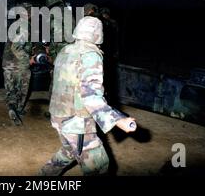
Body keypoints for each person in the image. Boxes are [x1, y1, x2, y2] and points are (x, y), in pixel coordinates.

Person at [38, 16, 136, 176]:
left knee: (68, 152)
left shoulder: (65, 50)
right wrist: (118, 120)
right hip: (76, 121)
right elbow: (91, 96)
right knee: (99, 167)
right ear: (98, 34)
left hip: (58, 115)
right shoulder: (90, 55)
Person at [44, 0, 76, 118]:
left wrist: (50, 52)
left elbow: (54, 36)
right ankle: (69, 110)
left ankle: (54, 111)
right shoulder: (69, 14)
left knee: (56, 82)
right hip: (71, 53)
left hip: (59, 54)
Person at [2, 2, 33, 126]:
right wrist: (28, 59)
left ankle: (11, 107)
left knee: (11, 90)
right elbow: (16, 46)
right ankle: (18, 109)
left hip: (7, 62)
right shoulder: (25, 25)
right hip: (19, 64)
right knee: (22, 89)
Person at [99, 7, 120, 106]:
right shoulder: (111, 23)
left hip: (107, 55)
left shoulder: (106, 23)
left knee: (106, 78)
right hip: (106, 55)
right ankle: (106, 99)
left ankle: (106, 100)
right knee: (107, 79)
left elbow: (115, 40)